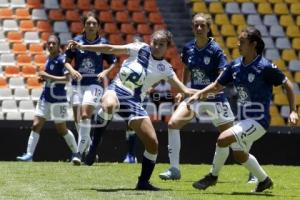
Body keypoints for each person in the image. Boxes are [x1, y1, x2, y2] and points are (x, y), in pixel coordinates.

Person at [68, 29, 196, 190]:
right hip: (117, 89)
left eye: (161, 45)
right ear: (150, 42)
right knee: (109, 105)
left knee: (153, 144)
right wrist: (83, 46)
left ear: (167, 47)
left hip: (134, 102)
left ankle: (143, 182)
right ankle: (93, 147)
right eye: (154, 43)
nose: (156, 47)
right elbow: (111, 49)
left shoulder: (166, 68)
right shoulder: (140, 47)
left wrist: (208, 92)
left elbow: (184, 89)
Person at [187, 26, 299, 192]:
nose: (237, 44)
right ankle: (264, 180)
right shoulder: (235, 65)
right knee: (239, 155)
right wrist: (199, 94)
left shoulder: (265, 66)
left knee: (222, 139)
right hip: (242, 119)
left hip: (259, 121)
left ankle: (212, 176)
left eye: (242, 41)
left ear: (253, 44)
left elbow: (288, 85)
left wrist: (293, 111)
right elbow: (217, 85)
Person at [159, 13, 235, 180]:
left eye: (203, 25)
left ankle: (252, 170)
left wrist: (205, 92)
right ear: (192, 28)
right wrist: (182, 89)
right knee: (173, 124)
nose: (199, 28)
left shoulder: (216, 50)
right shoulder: (188, 48)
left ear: (208, 28)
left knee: (232, 137)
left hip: (215, 98)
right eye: (196, 25)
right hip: (194, 97)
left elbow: (222, 78)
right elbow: (186, 68)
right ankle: (174, 169)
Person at [64, 11, 117, 165]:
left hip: (95, 84)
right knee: (77, 119)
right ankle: (88, 147)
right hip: (77, 84)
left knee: (86, 115)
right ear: (84, 26)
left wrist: (105, 72)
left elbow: (114, 62)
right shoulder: (76, 42)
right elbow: (67, 61)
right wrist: (72, 71)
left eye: (94, 23)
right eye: (89, 23)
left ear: (98, 26)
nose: (91, 25)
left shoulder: (103, 43)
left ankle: (78, 154)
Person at [16, 34, 77, 161]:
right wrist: (43, 78)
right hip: (45, 97)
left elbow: (66, 79)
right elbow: (49, 77)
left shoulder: (62, 60)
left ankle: (76, 153)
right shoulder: (48, 58)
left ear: (58, 46)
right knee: (36, 125)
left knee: (62, 129)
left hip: (58, 100)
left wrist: (48, 76)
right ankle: (29, 155)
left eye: (53, 43)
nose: (50, 45)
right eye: (49, 43)